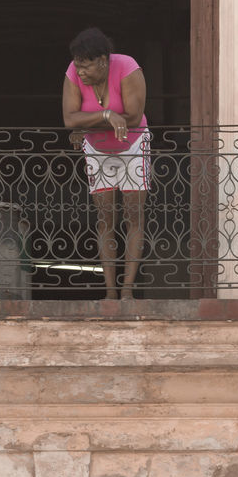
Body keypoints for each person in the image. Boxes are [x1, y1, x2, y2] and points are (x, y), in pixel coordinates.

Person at [62, 27, 149, 300]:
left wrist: (86, 121)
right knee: (105, 220)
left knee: (133, 218)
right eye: (78, 66)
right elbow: (69, 120)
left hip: (133, 146)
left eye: (87, 67)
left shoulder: (127, 67)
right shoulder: (73, 72)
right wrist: (108, 114)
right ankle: (110, 292)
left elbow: (133, 118)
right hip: (96, 149)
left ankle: (127, 291)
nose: (81, 73)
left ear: (103, 61)